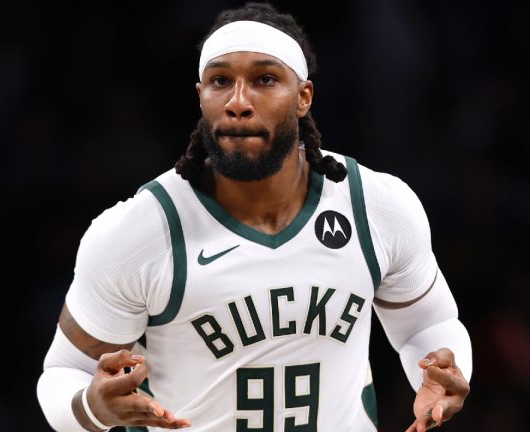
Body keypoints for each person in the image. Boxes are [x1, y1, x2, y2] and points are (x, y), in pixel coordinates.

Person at [36, 3, 472, 431]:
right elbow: (64, 372)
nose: (239, 102)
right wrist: (93, 408)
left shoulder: (375, 205)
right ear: (201, 97)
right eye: (220, 81)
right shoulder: (139, 231)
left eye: (265, 79)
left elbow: (429, 324)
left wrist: (443, 374)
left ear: (304, 97)